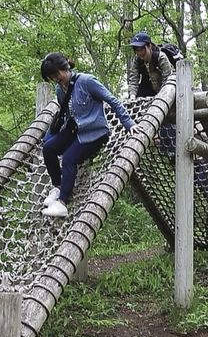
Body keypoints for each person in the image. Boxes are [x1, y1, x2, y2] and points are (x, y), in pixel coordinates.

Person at [41, 52, 138, 218]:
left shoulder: (86, 81)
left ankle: (63, 203)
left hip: (94, 132)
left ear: (65, 68)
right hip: (73, 129)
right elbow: (66, 114)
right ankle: (58, 188)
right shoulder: (60, 89)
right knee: (48, 149)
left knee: (69, 159)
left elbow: (112, 100)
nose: (56, 79)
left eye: (57, 74)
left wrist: (129, 124)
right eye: (52, 77)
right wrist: (52, 137)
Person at [127, 32, 173, 99]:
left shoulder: (161, 57)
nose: (139, 53)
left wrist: (160, 97)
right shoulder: (137, 60)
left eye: (142, 49)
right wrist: (132, 96)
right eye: (137, 50)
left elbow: (167, 79)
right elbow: (134, 79)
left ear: (149, 46)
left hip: (164, 89)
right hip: (148, 88)